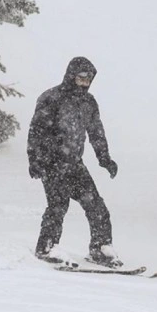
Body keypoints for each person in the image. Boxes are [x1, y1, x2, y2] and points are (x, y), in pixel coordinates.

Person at [27, 56, 122, 267]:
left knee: (96, 206)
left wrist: (104, 158)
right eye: (81, 78)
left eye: (89, 79)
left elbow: (96, 131)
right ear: (71, 76)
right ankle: (47, 247)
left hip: (74, 164)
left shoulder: (88, 102)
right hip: (51, 162)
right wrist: (35, 159)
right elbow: (36, 130)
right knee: (58, 205)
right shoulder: (51, 98)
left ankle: (100, 248)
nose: (85, 82)